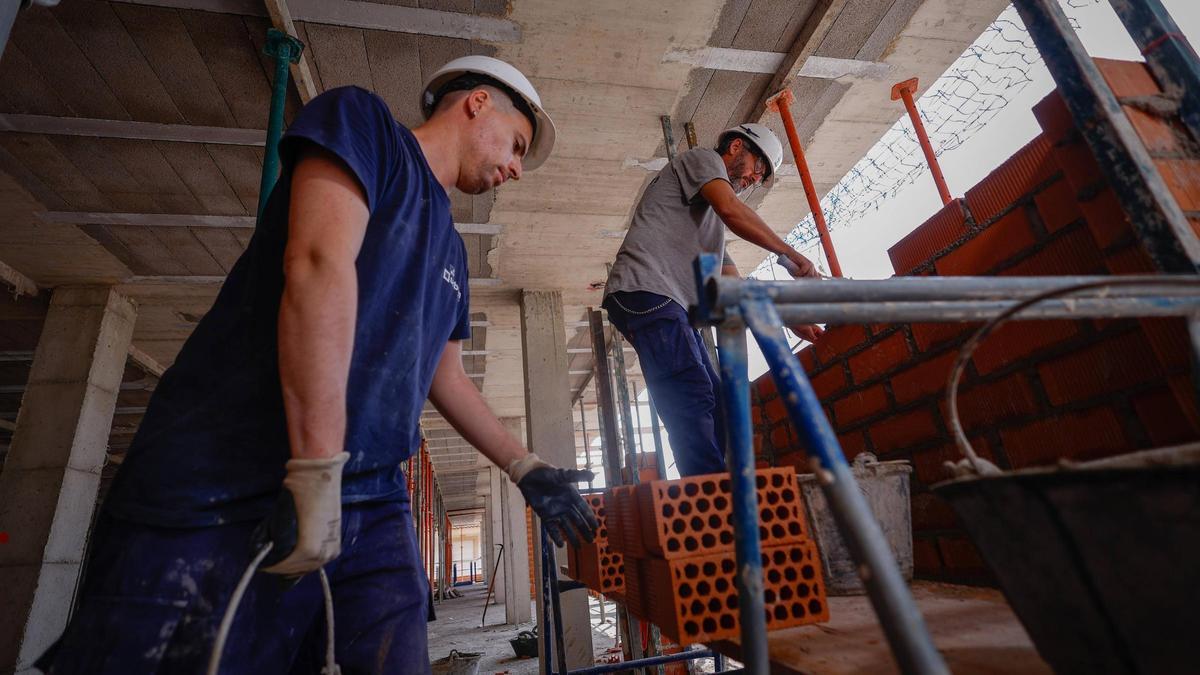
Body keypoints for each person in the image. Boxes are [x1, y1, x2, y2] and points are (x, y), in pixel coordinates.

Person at [44, 56, 597, 674]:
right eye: (518, 145)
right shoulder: (364, 126)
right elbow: (316, 263)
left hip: (372, 498)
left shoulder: (450, 249)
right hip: (236, 476)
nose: (516, 169)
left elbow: (447, 377)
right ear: (477, 103)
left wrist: (524, 467)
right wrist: (313, 473)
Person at [602, 123, 823, 477]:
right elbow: (732, 211)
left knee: (718, 404)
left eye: (760, 176)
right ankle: (710, 505)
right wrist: (790, 256)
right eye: (756, 167)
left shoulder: (710, 227)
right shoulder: (703, 160)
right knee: (691, 394)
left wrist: (785, 318)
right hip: (647, 292)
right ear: (736, 146)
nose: (753, 178)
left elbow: (732, 284)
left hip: (666, 306)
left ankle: (720, 493)